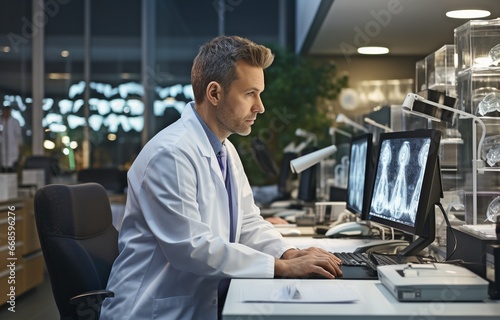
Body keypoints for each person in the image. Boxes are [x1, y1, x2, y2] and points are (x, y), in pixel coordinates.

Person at [100, 35, 341, 320]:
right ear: (214, 94)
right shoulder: (171, 154)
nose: (260, 107)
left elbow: (248, 222)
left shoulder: (223, 148)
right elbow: (193, 249)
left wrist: (287, 252)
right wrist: (281, 268)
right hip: (155, 310)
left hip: (200, 303)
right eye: (250, 93)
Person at [0, 104, 22, 172]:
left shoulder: (14, 122)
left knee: (12, 166)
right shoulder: (1, 121)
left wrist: (20, 146)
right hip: (3, 148)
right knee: (3, 164)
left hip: (13, 148)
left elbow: (18, 135)